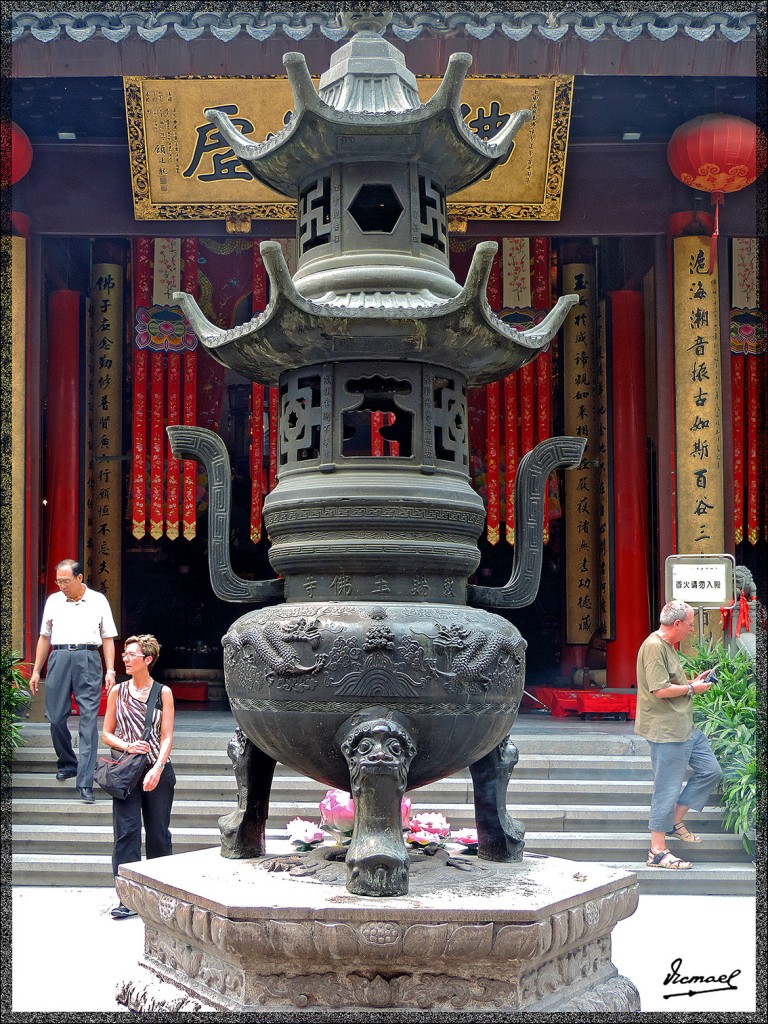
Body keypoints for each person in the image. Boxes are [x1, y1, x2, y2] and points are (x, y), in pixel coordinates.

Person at [635, 600, 722, 870]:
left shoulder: (666, 646)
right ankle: (657, 851)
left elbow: (672, 685)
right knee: (666, 788)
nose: (691, 630)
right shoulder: (653, 647)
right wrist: (693, 689)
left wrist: (692, 682)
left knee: (711, 770)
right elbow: (659, 690)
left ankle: (674, 819)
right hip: (667, 730)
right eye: (689, 624)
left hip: (684, 727)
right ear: (677, 624)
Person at [29, 559, 118, 803]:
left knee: (88, 720)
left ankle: (85, 781)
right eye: (59, 581)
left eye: (66, 581)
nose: (62, 586)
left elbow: (108, 637)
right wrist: (37, 670)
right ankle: (67, 761)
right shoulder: (54, 601)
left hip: (88, 657)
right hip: (58, 657)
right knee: (56, 717)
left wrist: (110, 670)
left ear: (79, 578)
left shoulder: (98, 600)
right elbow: (44, 636)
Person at [101, 633, 175, 919]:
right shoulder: (118, 691)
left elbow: (167, 735)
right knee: (126, 835)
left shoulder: (163, 692)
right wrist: (127, 745)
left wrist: (157, 767)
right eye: (125, 655)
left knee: (158, 834)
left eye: (131, 654)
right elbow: (107, 732)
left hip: (158, 770)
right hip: (126, 771)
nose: (125, 659)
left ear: (148, 659)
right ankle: (127, 898)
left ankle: (159, 894)